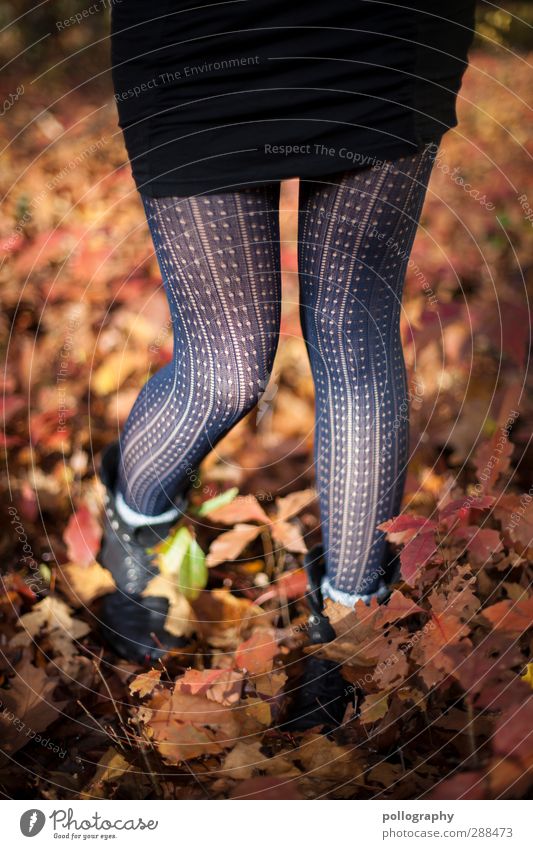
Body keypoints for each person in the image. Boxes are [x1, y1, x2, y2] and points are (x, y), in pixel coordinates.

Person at [100, 1, 476, 725]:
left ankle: (353, 616)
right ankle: (135, 520)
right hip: (199, 31)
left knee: (353, 326)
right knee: (225, 364)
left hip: (375, 26)